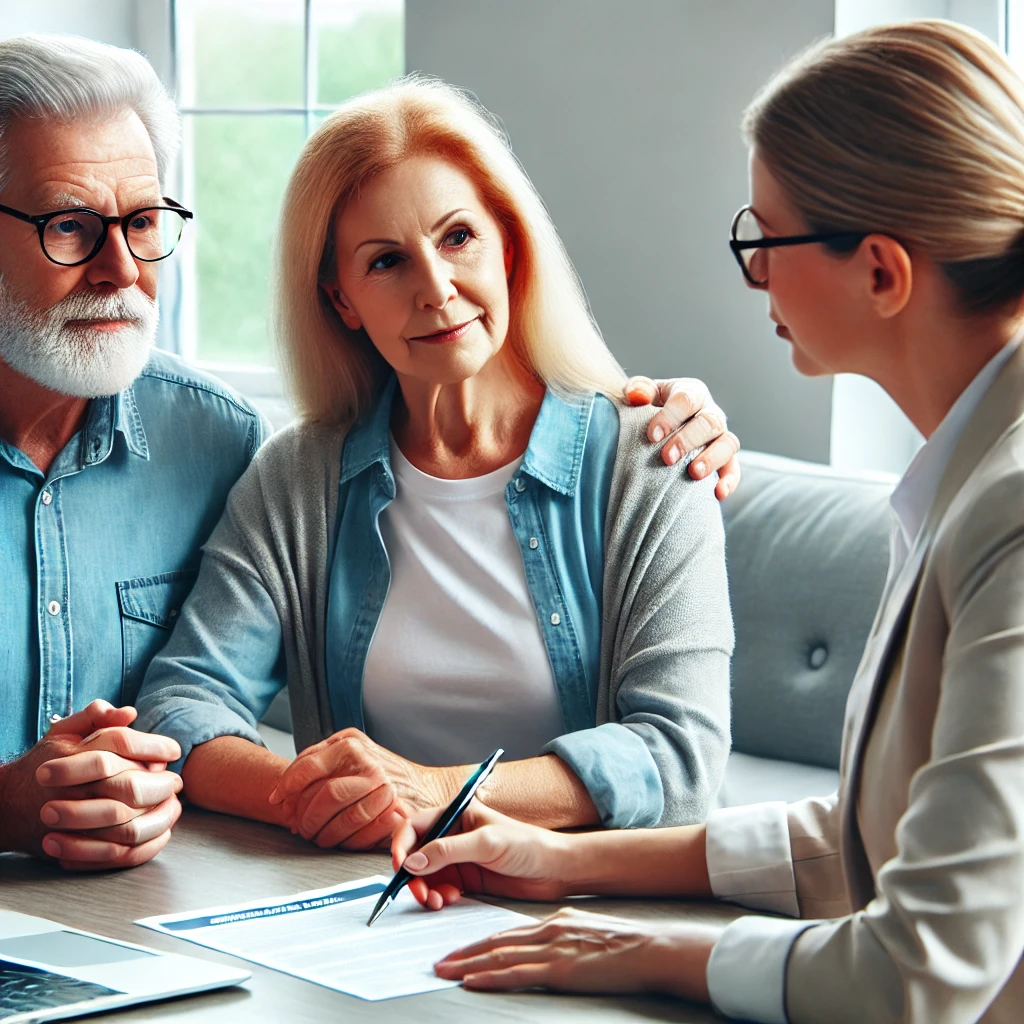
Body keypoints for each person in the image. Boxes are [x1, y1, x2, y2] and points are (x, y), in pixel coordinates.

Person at [390, 20, 1024, 1024]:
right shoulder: (970, 468)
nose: (755, 273)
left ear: (881, 272)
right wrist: (563, 860)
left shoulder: (1011, 512)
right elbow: (881, 835)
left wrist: (645, 952)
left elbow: (917, 972)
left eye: (765, 239)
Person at [134, 77, 741, 849]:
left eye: (459, 237)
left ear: (509, 244)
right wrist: (312, 797)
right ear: (342, 301)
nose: (437, 288)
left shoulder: (651, 462)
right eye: (386, 262)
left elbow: (680, 759)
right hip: (367, 898)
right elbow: (182, 701)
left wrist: (433, 794)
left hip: (582, 905)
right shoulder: (298, 480)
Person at [0, 34, 268, 871]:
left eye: (144, 222)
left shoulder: (220, 443)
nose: (121, 268)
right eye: (70, 227)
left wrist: (638, 424)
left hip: (150, 935)